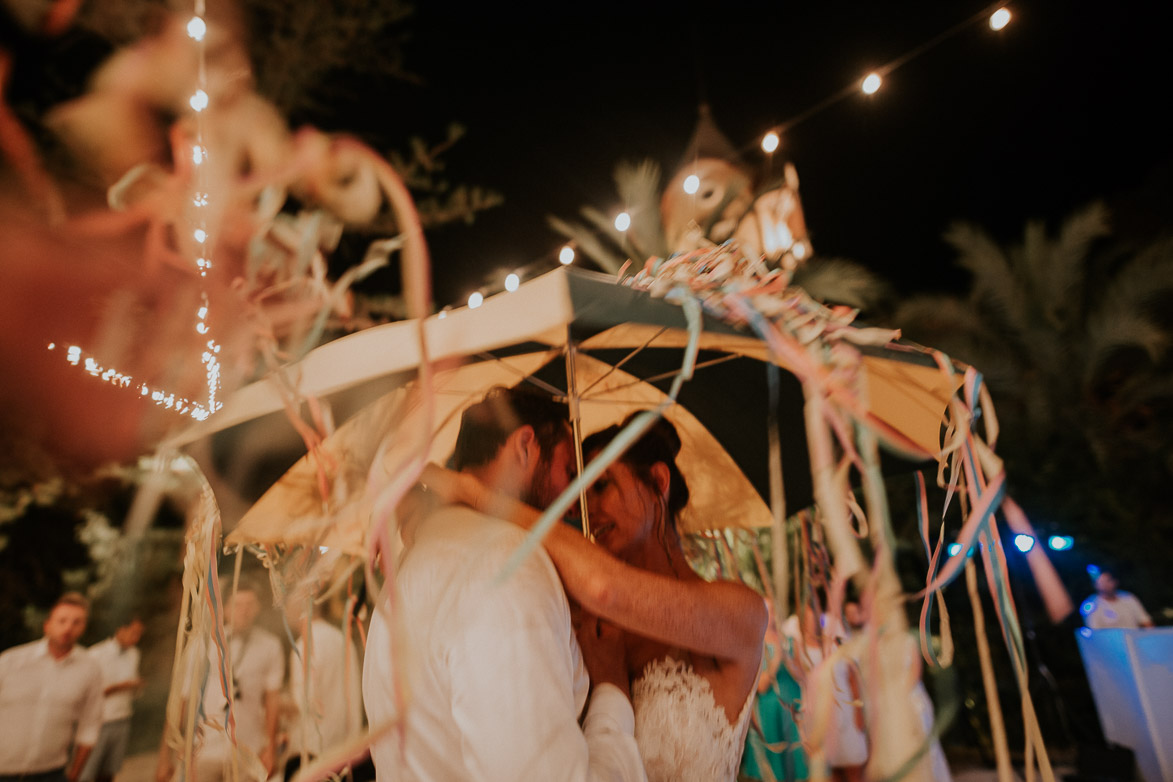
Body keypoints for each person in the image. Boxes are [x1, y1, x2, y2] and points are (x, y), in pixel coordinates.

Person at [422, 410, 768, 782]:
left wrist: (472, 492)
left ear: (658, 481)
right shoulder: (586, 617)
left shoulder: (741, 612)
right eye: (580, 494)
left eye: (602, 486)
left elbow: (608, 588)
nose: (587, 509)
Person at [363, 385, 647, 780]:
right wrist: (612, 695)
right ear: (526, 445)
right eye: (568, 469)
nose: (571, 495)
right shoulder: (507, 565)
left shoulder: (413, 565)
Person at [157, 579, 285, 782]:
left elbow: (272, 700)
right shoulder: (202, 644)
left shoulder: (269, 646)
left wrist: (270, 748)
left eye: (250, 605)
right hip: (203, 750)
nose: (244, 611)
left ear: (258, 608)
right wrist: (165, 756)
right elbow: (181, 700)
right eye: (238, 605)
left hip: (247, 749)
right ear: (224, 608)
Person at [0, 592, 104, 782]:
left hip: (51, 773)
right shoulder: (10, 661)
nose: (68, 628)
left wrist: (74, 776)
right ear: (47, 625)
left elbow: (89, 725)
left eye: (76, 622)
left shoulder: (90, 669)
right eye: (62, 620)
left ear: (83, 627)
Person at [281, 595, 364, 782]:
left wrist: (273, 704)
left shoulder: (304, 646)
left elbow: (303, 702)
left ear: (300, 610)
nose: (285, 614)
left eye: (287, 608)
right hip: (346, 744)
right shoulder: (342, 638)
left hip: (314, 748)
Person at [740, 602, 808, 781]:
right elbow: (761, 687)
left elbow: (803, 677)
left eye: (774, 609)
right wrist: (777, 659)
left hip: (792, 708)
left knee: (795, 761)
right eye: (767, 610)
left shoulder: (792, 641)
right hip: (769, 710)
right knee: (774, 765)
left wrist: (789, 660)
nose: (772, 614)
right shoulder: (755, 643)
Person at [79, 614, 145, 782]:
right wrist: (120, 687)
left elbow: (132, 686)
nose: (136, 638)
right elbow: (84, 692)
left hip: (122, 719)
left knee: (109, 771)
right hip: (99, 721)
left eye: (139, 634)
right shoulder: (96, 654)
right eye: (134, 632)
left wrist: (136, 687)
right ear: (121, 629)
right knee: (87, 771)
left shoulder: (134, 654)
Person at [1082, 570, 1154, 630]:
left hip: (1134, 640)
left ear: (1115, 582)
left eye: (1107, 581)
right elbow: (1094, 632)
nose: (1105, 585)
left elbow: (1146, 621)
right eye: (1101, 582)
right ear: (1095, 585)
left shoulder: (1128, 598)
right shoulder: (1090, 605)